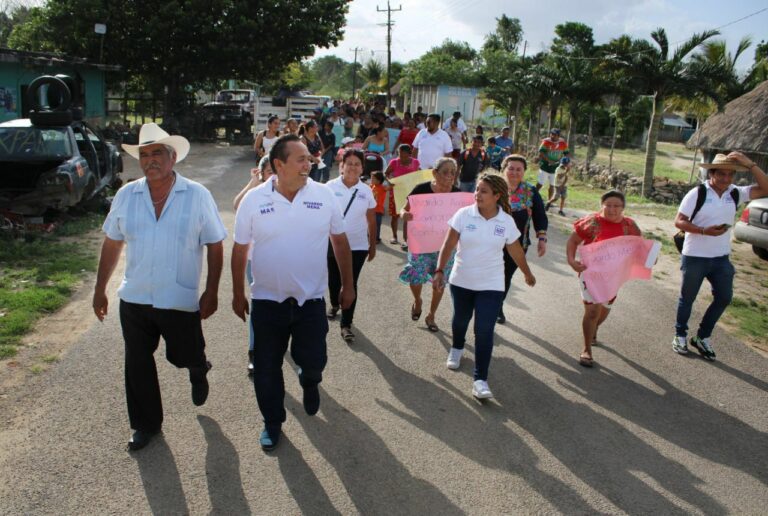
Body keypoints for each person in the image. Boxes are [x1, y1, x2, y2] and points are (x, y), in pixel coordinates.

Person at [92, 123, 226, 451]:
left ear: (173, 157)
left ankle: (197, 366)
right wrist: (100, 288)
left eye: (157, 154)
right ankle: (145, 425)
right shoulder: (127, 195)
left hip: (178, 297)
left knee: (184, 354)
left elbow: (215, 244)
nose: (150, 160)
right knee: (137, 361)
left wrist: (211, 290)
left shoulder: (196, 195)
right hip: (136, 295)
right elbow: (112, 244)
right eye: (145, 154)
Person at [232, 134, 355, 452]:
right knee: (266, 366)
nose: (309, 163)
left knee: (313, 358)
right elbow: (240, 248)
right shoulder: (254, 200)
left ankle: (311, 379)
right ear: (278, 165)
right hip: (267, 301)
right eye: (301, 159)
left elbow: (339, 241)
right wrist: (236, 291)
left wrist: (348, 285)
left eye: (309, 158)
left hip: (310, 299)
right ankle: (272, 422)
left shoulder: (324, 196)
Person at [434, 173, 536, 399]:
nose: (477, 194)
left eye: (483, 191)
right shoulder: (464, 214)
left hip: (491, 283)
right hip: (462, 280)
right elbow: (449, 243)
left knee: (484, 329)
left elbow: (515, 249)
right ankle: (457, 347)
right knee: (460, 320)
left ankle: (480, 380)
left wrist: (527, 272)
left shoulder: (506, 221)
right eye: (477, 189)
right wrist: (440, 270)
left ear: (497, 196)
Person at [672, 152, 768, 361]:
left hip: (720, 258)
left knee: (724, 297)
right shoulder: (697, 193)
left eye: (730, 175)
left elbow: (766, 188)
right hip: (695, 255)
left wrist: (750, 164)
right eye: (721, 174)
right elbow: (679, 221)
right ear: (711, 173)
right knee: (687, 298)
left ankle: (702, 337)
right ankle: (680, 334)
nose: (726, 179)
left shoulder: (735, 193)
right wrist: (704, 231)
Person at [566, 190, 642, 368]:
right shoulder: (592, 222)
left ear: (623, 208)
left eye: (617, 206)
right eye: (608, 205)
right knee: (592, 311)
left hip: (615, 277)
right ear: (602, 205)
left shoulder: (630, 226)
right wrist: (571, 260)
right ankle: (586, 349)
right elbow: (572, 241)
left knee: (603, 312)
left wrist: (650, 258)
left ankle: (594, 329)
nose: (612, 209)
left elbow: (640, 248)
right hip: (590, 274)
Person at [399, 158, 460, 332]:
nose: (449, 176)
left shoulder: (458, 195)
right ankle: (418, 300)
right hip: (421, 243)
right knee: (415, 275)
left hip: (446, 247)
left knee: (439, 280)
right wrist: (405, 215)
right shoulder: (421, 190)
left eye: (452, 173)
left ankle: (431, 315)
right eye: (445, 172)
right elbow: (404, 209)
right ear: (435, 172)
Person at [326, 149, 378, 343]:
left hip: (357, 245)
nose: (353, 167)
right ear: (342, 166)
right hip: (332, 243)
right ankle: (334, 303)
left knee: (351, 282)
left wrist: (372, 245)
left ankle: (346, 324)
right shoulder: (329, 187)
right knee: (333, 280)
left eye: (357, 164)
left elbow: (372, 220)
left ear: (362, 168)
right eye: (349, 163)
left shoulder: (366, 191)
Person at [234, 156, 274, 375]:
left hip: (283, 263)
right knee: (259, 307)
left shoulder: (292, 193)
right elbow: (236, 204)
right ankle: (254, 352)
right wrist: (253, 182)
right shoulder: (254, 196)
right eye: (269, 171)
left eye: (276, 170)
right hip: (255, 261)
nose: (274, 175)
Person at [498, 154, 548, 324]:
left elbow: (540, 216)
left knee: (505, 276)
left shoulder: (530, 191)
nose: (514, 172)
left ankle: (497, 307)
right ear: (503, 169)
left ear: (524, 172)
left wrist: (542, 239)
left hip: (518, 245)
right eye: (510, 168)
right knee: (490, 275)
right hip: (491, 243)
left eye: (519, 169)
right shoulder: (493, 188)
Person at [384, 144, 421, 247]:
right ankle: (394, 236)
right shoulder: (394, 162)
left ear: (410, 154)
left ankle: (406, 239)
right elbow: (385, 173)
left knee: (407, 216)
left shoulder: (415, 163)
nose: (402, 158)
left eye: (404, 156)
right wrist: (389, 181)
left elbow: (419, 174)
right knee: (395, 216)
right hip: (395, 193)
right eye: (400, 155)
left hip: (410, 194)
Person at [537, 128, 569, 201]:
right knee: (540, 184)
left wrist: (564, 161)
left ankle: (549, 200)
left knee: (552, 185)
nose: (552, 136)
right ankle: (533, 197)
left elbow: (566, 153)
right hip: (545, 166)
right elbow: (541, 152)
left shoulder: (562, 143)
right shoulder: (546, 141)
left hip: (556, 168)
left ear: (558, 136)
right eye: (551, 134)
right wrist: (549, 160)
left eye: (555, 135)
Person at [370, 171, 389, 243]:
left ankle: (376, 238)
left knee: (377, 225)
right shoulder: (371, 186)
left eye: (373, 178)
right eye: (371, 178)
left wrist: (386, 178)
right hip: (371, 210)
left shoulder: (383, 188)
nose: (371, 180)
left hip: (378, 210)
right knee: (370, 224)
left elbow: (392, 185)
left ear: (379, 180)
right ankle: (370, 237)